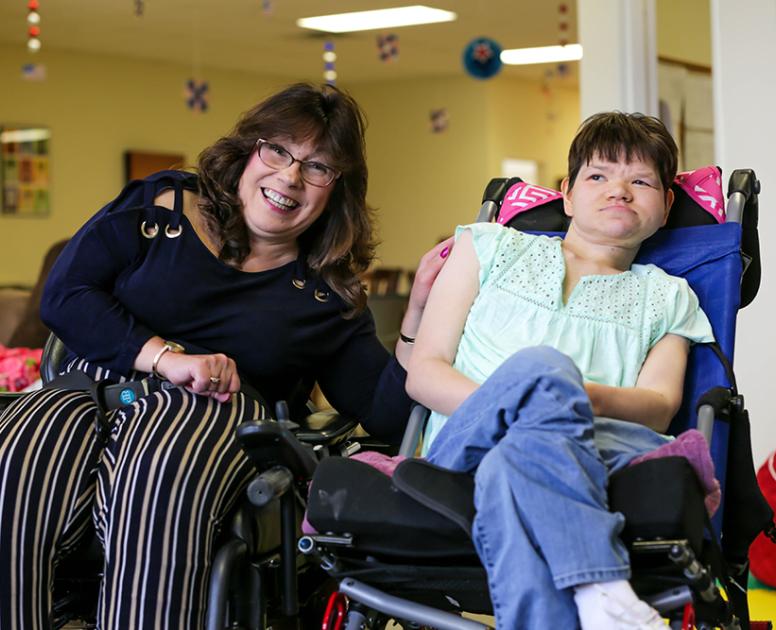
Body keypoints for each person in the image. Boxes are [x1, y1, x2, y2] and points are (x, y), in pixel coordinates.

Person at [0, 83, 451, 629]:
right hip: (89, 392)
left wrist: (417, 316)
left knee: (163, 467)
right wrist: (163, 358)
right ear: (249, 150)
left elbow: (389, 417)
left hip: (207, 418)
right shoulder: (160, 208)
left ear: (337, 189)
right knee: (18, 453)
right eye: (278, 151)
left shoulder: (322, 296)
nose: (288, 178)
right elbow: (66, 293)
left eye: (317, 168)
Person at [406, 112, 715, 629]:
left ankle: (598, 599)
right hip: (464, 451)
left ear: (665, 207)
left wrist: (567, 398)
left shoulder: (667, 295)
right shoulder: (487, 247)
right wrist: (539, 393)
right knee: (542, 370)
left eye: (640, 181)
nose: (619, 189)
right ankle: (600, 581)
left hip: (598, 451)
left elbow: (659, 407)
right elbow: (424, 372)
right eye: (598, 176)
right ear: (567, 195)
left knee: (515, 460)